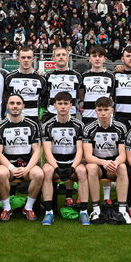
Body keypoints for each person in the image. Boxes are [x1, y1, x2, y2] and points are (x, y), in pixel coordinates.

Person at [40, 92, 89, 226]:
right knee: (47, 171)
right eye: (60, 104)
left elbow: (80, 150)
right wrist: (56, 167)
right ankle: (49, 212)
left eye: (66, 104)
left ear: (71, 106)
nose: (63, 107)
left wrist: (73, 166)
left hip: (73, 161)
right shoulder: (47, 125)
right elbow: (47, 151)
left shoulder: (79, 125)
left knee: (82, 171)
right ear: (54, 105)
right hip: (55, 162)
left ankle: (84, 211)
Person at [0, 94, 44, 222]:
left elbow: (37, 150)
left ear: (23, 106)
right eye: (12, 103)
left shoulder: (32, 125)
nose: (15, 106)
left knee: (39, 174)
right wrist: (11, 167)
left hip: (27, 166)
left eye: (18, 103)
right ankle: (6, 208)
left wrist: (27, 169)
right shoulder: (0, 126)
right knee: (0, 173)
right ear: (7, 106)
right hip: (8, 166)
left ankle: (28, 208)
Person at [83, 97, 129, 224]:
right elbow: (88, 156)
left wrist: (116, 162)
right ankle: (96, 209)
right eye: (100, 110)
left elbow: (122, 154)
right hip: (98, 164)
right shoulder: (89, 128)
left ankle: (122, 210)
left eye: (106, 110)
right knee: (90, 167)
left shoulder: (120, 127)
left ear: (112, 110)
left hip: (113, 166)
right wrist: (103, 162)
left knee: (123, 167)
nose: (103, 113)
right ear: (95, 111)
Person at [3, 46, 48, 125]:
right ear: (18, 59)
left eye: (29, 57)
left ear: (33, 59)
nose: (26, 60)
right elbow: (5, 97)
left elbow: (44, 97)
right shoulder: (9, 78)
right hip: (14, 117)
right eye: (23, 57)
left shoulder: (41, 79)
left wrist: (42, 110)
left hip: (34, 118)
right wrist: (6, 111)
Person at [44, 46, 82, 122]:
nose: (61, 57)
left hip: (71, 114)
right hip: (52, 113)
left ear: (68, 58)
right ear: (53, 58)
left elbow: (80, 95)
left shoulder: (77, 76)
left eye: (63, 55)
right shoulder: (47, 76)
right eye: (58, 55)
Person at [79, 46, 114, 126]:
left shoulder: (111, 76)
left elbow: (112, 95)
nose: (97, 59)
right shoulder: (84, 76)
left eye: (100, 56)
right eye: (94, 56)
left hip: (105, 116)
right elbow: (81, 93)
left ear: (104, 59)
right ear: (90, 59)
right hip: (88, 115)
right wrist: (81, 103)